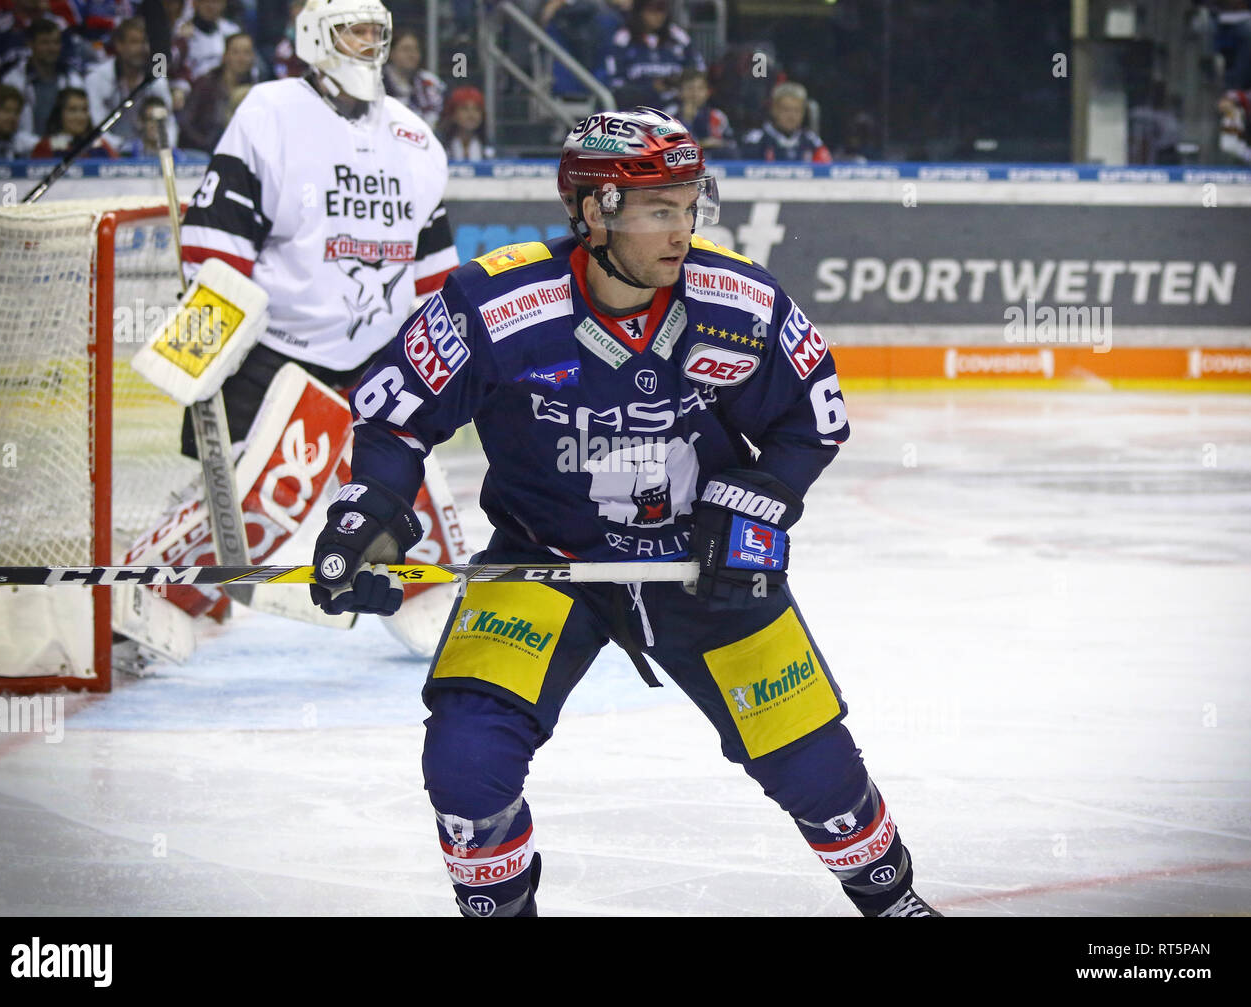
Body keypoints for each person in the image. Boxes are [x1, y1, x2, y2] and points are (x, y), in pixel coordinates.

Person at [308, 106, 941, 919]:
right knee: (466, 761)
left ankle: (892, 901)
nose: (682, 231)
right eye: (658, 211)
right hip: (544, 560)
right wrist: (370, 513)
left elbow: (812, 420)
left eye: (688, 206)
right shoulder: (494, 302)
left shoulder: (737, 301)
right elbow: (396, 419)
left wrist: (750, 503)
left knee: (813, 765)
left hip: (697, 563)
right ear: (594, 211)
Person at [121, 0, 460, 629]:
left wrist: (439, 360)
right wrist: (204, 340)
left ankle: (426, 596)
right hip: (276, 348)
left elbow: (433, 268)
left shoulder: (415, 136)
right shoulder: (271, 112)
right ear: (314, 36)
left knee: (396, 487)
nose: (368, 42)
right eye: (352, 29)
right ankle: (150, 599)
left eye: (376, 32)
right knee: (246, 498)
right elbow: (218, 242)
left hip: (379, 357)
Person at [84, 16, 176, 146]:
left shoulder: (156, 79)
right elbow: (96, 126)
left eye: (145, 42)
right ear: (119, 45)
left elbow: (169, 123)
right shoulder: (97, 78)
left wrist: (162, 147)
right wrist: (124, 148)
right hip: (109, 153)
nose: (141, 48)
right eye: (134, 42)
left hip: (149, 152)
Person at [604, 0, 703, 108]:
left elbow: (698, 73)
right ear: (640, 11)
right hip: (636, 111)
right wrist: (652, 89)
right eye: (651, 10)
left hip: (677, 109)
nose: (658, 15)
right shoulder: (623, 40)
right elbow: (616, 87)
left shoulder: (678, 37)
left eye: (661, 10)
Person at [0, 17, 83, 135]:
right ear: (30, 44)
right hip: (25, 149)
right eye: (45, 42)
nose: (52, 48)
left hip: (65, 149)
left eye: (56, 42)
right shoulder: (13, 80)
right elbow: (4, 126)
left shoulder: (72, 78)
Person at [178, 29, 256, 152]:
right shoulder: (205, 85)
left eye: (246, 53)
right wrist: (206, 145)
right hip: (204, 153)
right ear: (225, 56)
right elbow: (186, 123)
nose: (241, 58)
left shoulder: (256, 91)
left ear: (253, 57)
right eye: (235, 52)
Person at [741, 81, 831, 163]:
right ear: (774, 109)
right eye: (786, 110)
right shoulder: (756, 141)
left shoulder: (811, 142)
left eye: (797, 110)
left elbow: (826, 172)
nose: (791, 116)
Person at [665, 66, 737, 159]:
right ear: (680, 92)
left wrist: (720, 143)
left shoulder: (717, 116)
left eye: (700, 89)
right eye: (690, 88)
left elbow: (732, 145)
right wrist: (686, 120)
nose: (695, 93)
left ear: (707, 92)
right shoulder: (668, 115)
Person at [29, 83, 118, 155]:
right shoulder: (45, 147)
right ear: (60, 113)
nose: (80, 116)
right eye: (72, 110)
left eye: (84, 110)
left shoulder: (101, 145)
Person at [381, 28, 442, 128]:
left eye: (416, 49)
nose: (412, 55)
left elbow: (437, 117)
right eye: (406, 49)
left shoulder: (429, 82)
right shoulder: (377, 81)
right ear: (391, 53)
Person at [437, 84, 493, 160]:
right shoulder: (439, 146)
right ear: (453, 114)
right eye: (464, 109)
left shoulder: (491, 147)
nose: (471, 115)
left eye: (476, 109)